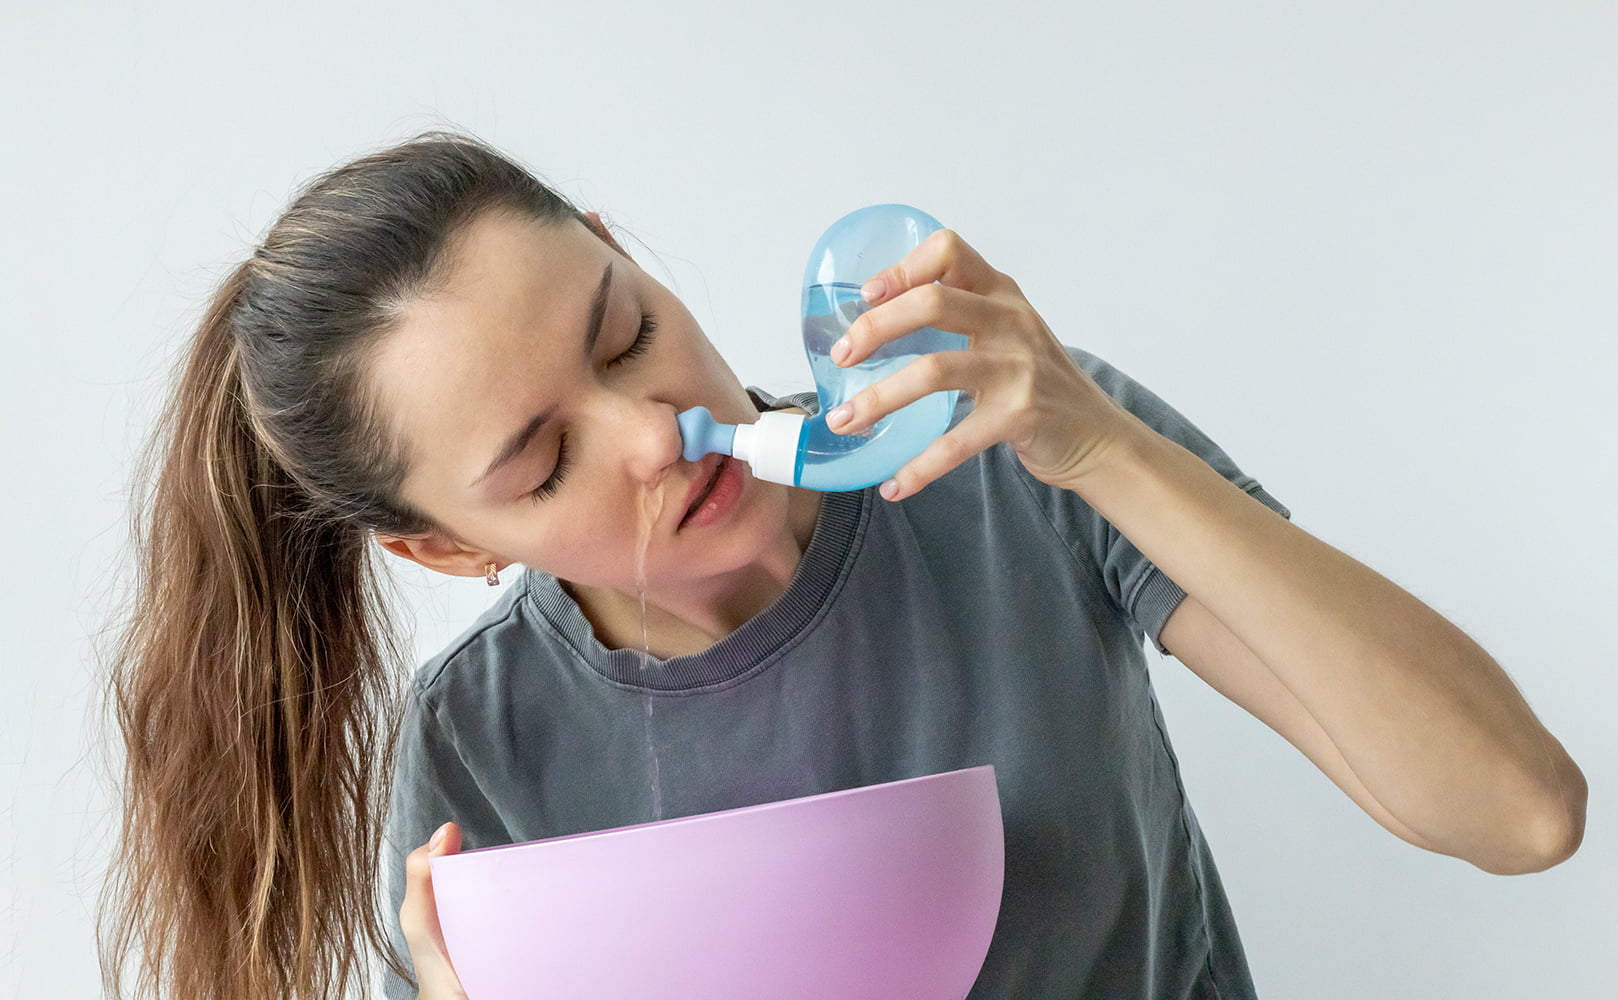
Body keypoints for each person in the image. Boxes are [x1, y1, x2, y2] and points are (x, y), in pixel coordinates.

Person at [100, 130, 1586, 1000]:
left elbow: (1516, 814)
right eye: (541, 464)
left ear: (628, 250)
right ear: (441, 544)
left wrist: (1102, 448)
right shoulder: (490, 748)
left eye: (625, 331)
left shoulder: (1004, 462)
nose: (653, 429)